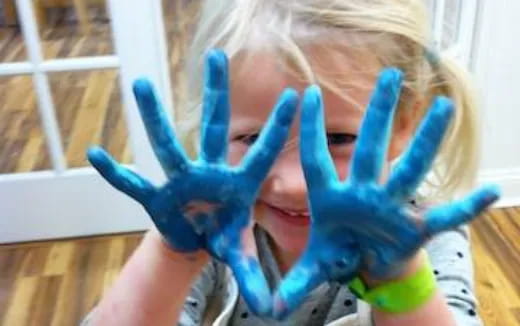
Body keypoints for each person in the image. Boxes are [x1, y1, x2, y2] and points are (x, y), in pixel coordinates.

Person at [82, 1, 500, 325]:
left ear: (404, 126)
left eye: (337, 139)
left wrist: (399, 280)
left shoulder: (418, 238)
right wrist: (172, 254)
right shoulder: (208, 226)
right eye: (254, 140)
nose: (294, 184)